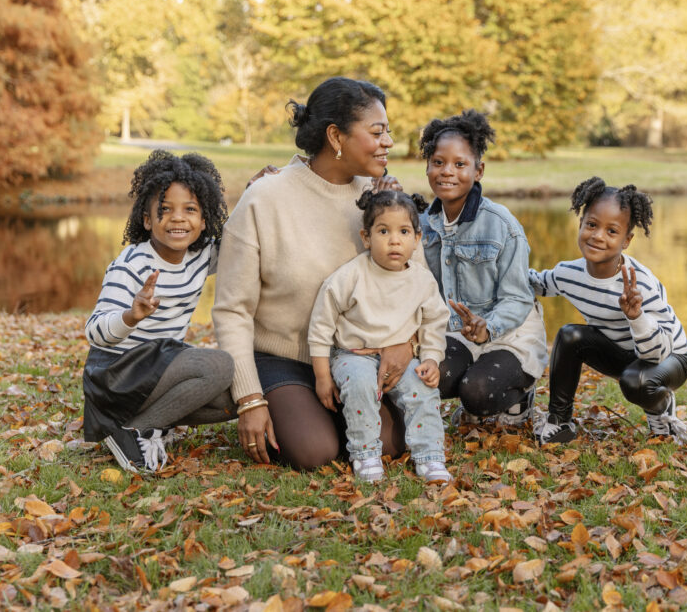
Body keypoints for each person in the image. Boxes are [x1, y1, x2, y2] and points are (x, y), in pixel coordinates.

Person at [212, 77, 414, 470]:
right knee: (314, 451)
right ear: (335, 135)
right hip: (281, 357)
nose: (388, 141)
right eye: (377, 132)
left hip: (354, 358)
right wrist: (250, 399)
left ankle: (334, 418)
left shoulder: (380, 200)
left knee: (393, 442)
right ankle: (295, 412)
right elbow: (231, 311)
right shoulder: (265, 197)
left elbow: (413, 285)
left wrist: (406, 342)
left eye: (388, 130)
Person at [83, 150, 234, 473]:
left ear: (204, 219)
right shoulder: (133, 264)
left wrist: (255, 191)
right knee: (220, 364)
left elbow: (241, 236)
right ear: (147, 219)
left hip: (156, 373)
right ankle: (136, 432)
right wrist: (131, 316)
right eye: (165, 210)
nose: (178, 218)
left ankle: (140, 426)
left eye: (190, 210)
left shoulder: (202, 255)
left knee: (236, 396)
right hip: (116, 374)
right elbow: (94, 330)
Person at [530, 177, 687, 445]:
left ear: (626, 240)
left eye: (611, 231)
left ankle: (661, 407)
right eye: (591, 224)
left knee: (637, 383)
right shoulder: (568, 273)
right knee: (570, 335)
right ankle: (560, 421)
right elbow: (537, 282)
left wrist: (636, 317)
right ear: (580, 223)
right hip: (624, 353)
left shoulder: (640, 284)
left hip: (669, 358)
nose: (598, 236)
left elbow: (657, 352)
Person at [308, 190, 451, 483]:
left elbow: (435, 322)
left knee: (423, 389)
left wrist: (433, 359)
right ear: (366, 237)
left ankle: (430, 457)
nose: (394, 240)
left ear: (417, 239)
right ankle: (365, 454)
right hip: (353, 355)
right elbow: (321, 326)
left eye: (404, 231)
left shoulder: (422, 280)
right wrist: (322, 376)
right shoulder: (351, 276)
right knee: (360, 384)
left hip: (401, 356)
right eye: (383, 231)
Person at [419, 110, 546, 428]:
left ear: (479, 170)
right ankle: (471, 378)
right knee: (427, 373)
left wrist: (488, 327)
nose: (447, 172)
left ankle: (519, 396)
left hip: (508, 334)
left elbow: (518, 298)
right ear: (427, 166)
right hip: (458, 334)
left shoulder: (502, 225)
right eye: (438, 162)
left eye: (460, 164)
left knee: (477, 392)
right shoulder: (422, 226)